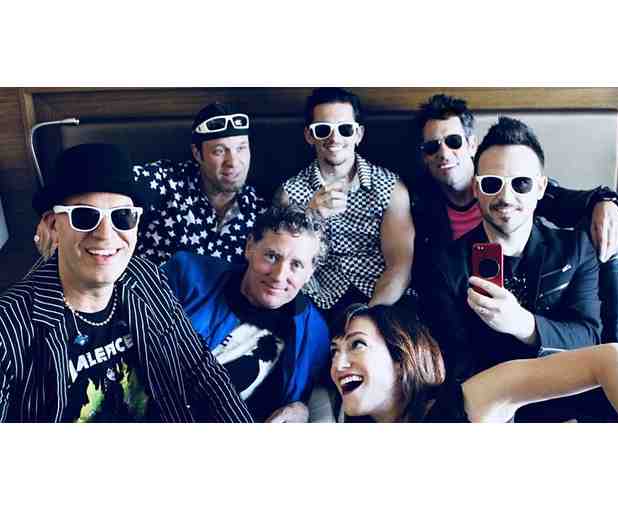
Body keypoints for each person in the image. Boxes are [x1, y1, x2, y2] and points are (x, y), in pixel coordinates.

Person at [418, 117, 618, 421]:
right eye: (492, 184)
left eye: (521, 184)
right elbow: (456, 362)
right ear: (476, 188)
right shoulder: (445, 265)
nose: (506, 197)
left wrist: (524, 325)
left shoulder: (575, 249)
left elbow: (590, 336)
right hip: (496, 406)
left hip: (575, 394)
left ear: (540, 187)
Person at [0, 143, 252, 423]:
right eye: (85, 216)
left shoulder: (146, 278)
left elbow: (201, 371)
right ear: (53, 226)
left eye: (122, 217)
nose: (105, 235)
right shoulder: (9, 327)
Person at [412, 94, 618, 349]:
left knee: (609, 229)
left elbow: (571, 201)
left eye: (453, 141)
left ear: (471, 144)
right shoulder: (419, 205)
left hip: (546, 310)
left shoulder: (530, 189)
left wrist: (607, 201)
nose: (443, 153)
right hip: (463, 284)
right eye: (432, 147)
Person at [329, 302, 618, 423]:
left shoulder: (472, 400)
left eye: (357, 345)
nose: (339, 363)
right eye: (334, 351)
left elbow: (612, 358)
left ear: (401, 358)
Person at [35, 102, 265, 265]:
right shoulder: (165, 181)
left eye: (241, 148)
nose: (233, 162)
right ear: (197, 153)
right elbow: (104, 177)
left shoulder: (261, 209)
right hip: (152, 305)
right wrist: (53, 214)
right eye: (219, 151)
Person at [162, 206, 331, 422]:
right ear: (250, 246)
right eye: (271, 256)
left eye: (296, 265)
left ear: (310, 273)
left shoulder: (315, 333)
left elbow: (319, 391)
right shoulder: (187, 275)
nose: (279, 276)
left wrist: (302, 409)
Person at [275, 88, 414, 319]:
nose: (334, 139)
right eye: (323, 130)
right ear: (309, 136)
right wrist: (310, 218)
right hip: (315, 300)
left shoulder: (391, 187)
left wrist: (369, 317)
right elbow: (285, 265)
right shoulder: (289, 193)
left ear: (358, 134)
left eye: (345, 129)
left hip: (380, 297)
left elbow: (399, 266)